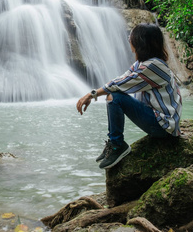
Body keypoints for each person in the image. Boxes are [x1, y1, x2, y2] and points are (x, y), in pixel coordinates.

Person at [76, 23, 182, 170]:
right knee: (114, 93)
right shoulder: (144, 64)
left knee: (115, 97)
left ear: (140, 42)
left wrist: (91, 94)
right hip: (161, 122)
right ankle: (114, 143)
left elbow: (119, 85)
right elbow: (121, 79)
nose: (129, 40)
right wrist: (96, 93)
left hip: (163, 127)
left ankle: (117, 145)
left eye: (131, 37)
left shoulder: (153, 67)